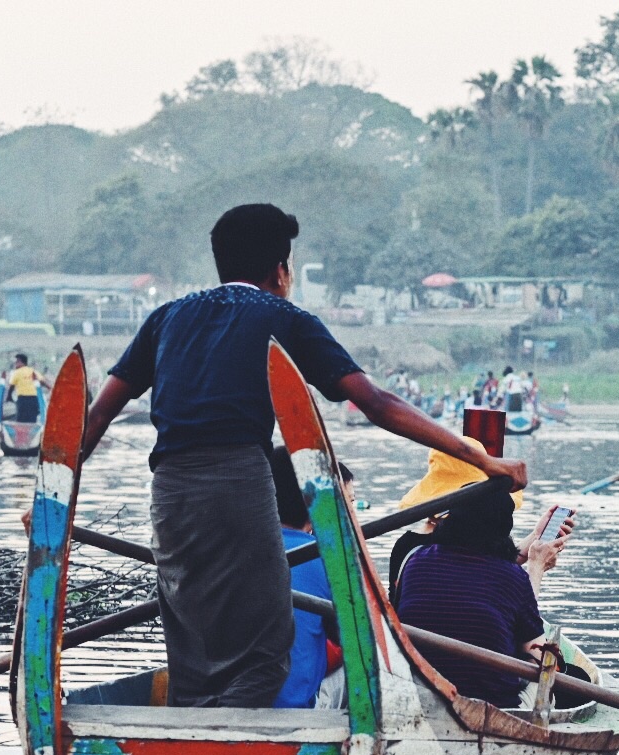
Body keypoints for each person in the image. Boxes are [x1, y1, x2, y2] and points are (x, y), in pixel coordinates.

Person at [78, 202, 527, 708]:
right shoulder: (284, 317)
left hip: (168, 494)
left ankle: (190, 743)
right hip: (239, 486)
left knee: (193, 643)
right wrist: (482, 461)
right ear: (281, 269)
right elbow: (375, 402)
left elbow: (95, 418)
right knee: (268, 652)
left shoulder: (167, 317)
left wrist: (57, 501)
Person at [394, 482, 567, 706]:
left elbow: (477, 573)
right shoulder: (511, 577)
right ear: (504, 527)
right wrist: (536, 567)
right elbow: (536, 652)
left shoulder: (414, 560)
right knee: (543, 669)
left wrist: (535, 537)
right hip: (494, 705)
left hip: (418, 697)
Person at [388, 436, 528, 605]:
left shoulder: (409, 547)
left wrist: (537, 537)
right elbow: (495, 569)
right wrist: (536, 567)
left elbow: (498, 565)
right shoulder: (449, 547)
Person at [267, 447, 348, 709]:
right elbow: (355, 643)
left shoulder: (232, 551)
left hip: (224, 704)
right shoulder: (328, 561)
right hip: (294, 711)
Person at [6, 354, 51, 423]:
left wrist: (8, 397)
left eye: (16, 362)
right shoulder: (33, 371)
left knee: (21, 420)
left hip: (22, 400)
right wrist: (51, 389)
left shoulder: (17, 372)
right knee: (32, 420)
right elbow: (43, 382)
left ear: (20, 362)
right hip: (34, 400)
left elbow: (11, 387)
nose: (15, 364)